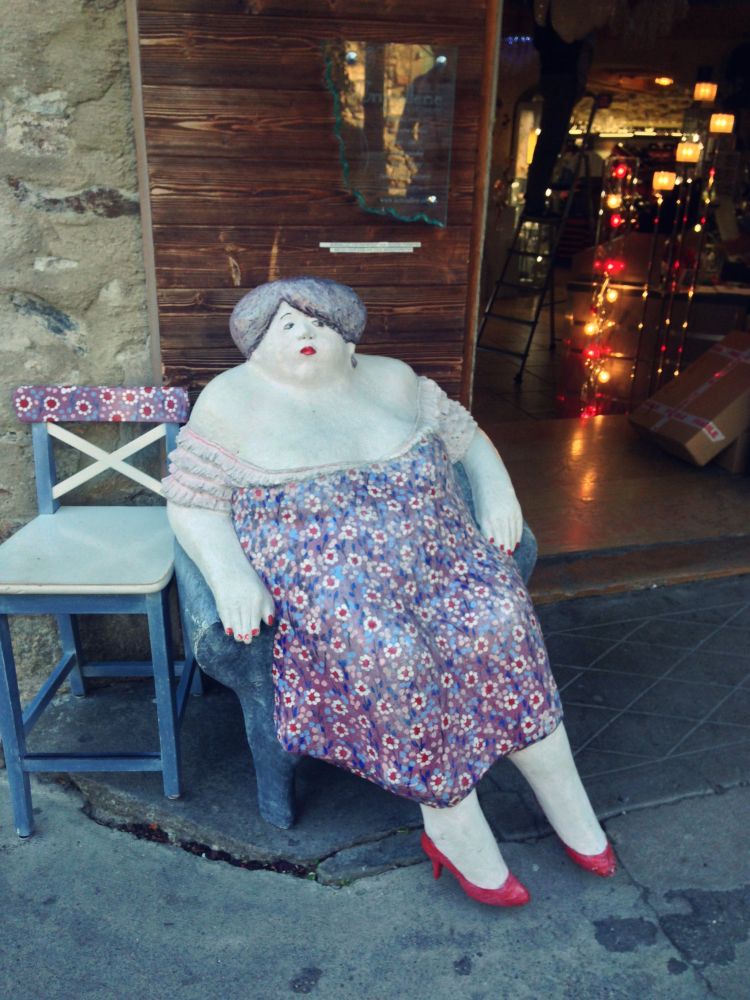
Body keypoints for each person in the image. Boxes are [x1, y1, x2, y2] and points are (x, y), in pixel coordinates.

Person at [164, 276, 615, 907]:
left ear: (348, 338)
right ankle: (452, 819)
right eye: (285, 326)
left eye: (318, 321)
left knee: (502, 619)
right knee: (398, 656)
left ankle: (565, 797)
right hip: (332, 584)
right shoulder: (229, 401)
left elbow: (468, 439)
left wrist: (497, 491)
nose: (304, 333)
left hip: (440, 556)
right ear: (256, 348)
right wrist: (229, 574)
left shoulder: (395, 379)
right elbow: (191, 501)